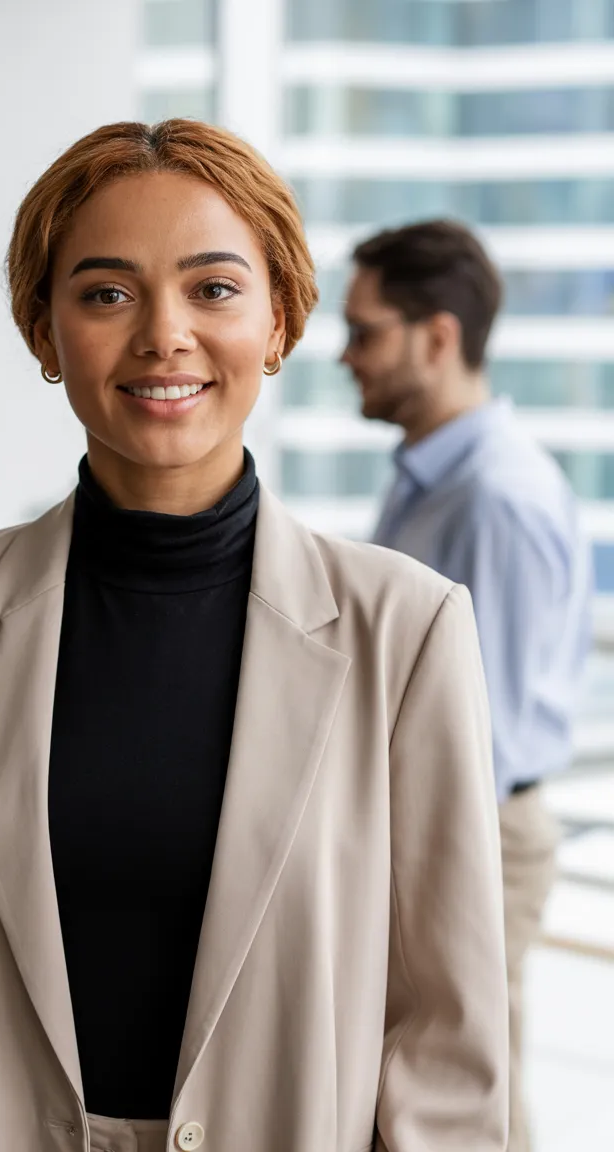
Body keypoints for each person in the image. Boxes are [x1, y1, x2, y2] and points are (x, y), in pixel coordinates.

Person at [0, 123, 508, 1152]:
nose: (163, 334)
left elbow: (448, 1044)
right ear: (44, 334)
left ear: (280, 321)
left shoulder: (409, 630)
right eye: (105, 293)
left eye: (213, 288)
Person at [341, 220, 594, 1152]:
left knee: (466, 1095)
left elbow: (483, 734)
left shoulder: (496, 499)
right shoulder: (429, 480)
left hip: (473, 837)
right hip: (437, 828)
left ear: (437, 337)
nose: (345, 354)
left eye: (365, 332)